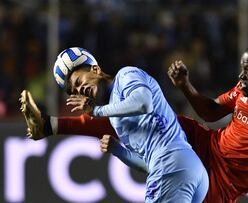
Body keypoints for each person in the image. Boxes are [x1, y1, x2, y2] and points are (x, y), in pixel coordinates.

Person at [21, 42, 248, 203]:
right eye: (241, 71)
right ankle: (49, 125)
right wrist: (186, 87)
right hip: (202, 149)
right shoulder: (247, 90)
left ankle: (48, 125)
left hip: (219, 181)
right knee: (136, 122)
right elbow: (212, 112)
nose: (241, 78)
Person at [24, 47, 210, 203]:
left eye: (79, 81)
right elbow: (148, 164)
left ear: (95, 69)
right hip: (189, 169)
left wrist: (95, 112)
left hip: (171, 165)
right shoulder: (115, 114)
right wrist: (118, 150)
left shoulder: (125, 75)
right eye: (75, 91)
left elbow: (144, 102)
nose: (80, 90)